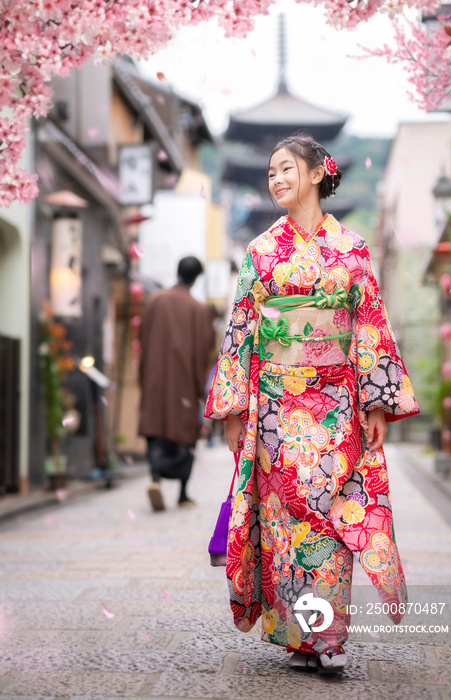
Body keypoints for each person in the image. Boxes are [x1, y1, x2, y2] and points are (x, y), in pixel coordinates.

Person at [205, 133, 419, 673]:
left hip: (336, 403)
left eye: (286, 169)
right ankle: (301, 635)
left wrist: (376, 403)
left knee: (331, 520)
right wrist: (234, 410)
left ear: (319, 172)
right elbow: (242, 329)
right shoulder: (259, 251)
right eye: (271, 171)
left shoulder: (352, 249)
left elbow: (369, 323)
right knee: (285, 523)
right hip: (276, 406)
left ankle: (326, 637)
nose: (275, 179)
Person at [139, 256, 214, 510]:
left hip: (155, 381)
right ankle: (182, 493)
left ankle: (156, 479)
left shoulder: (154, 301)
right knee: (184, 437)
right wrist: (199, 387)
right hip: (183, 384)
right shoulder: (199, 310)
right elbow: (205, 350)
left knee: (157, 430)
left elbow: (143, 340)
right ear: (196, 278)